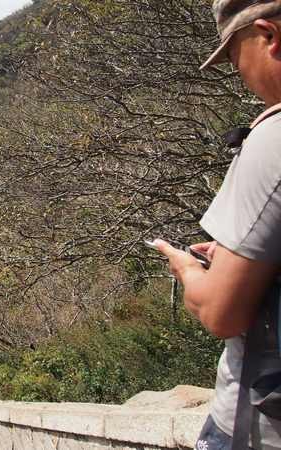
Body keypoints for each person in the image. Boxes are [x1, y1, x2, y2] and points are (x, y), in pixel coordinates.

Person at [153, 2, 281, 447]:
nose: (235, 70)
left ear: (269, 36)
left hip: (257, 426)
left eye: (232, 54)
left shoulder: (273, 139)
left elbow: (221, 312)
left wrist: (187, 270)